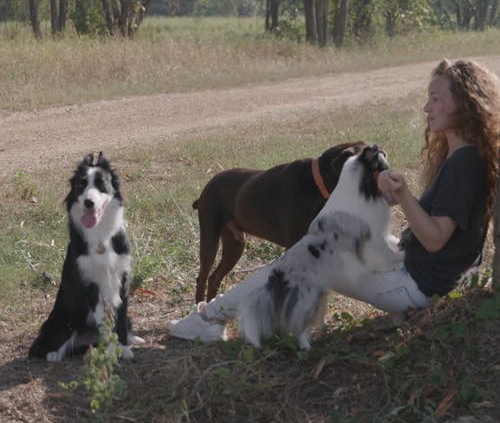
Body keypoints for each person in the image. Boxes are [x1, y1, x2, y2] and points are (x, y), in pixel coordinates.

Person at [168, 58, 500, 343]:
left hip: (414, 287)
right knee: (322, 241)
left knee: (305, 253)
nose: (427, 107)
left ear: (466, 103)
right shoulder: (462, 158)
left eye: (436, 98)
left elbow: (435, 238)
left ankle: (209, 320)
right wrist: (392, 197)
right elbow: (435, 229)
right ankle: (225, 317)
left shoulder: (464, 164)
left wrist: (402, 193)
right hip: (415, 272)